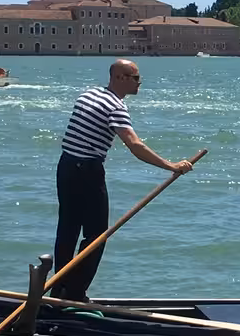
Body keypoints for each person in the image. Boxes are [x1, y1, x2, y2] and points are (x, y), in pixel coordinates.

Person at [54, 59, 193, 300]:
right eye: (135, 78)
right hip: (87, 171)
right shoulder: (115, 107)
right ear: (120, 78)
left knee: (68, 229)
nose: (140, 83)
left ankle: (58, 287)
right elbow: (135, 145)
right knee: (97, 235)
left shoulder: (88, 94)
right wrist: (171, 165)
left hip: (66, 166)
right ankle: (74, 292)